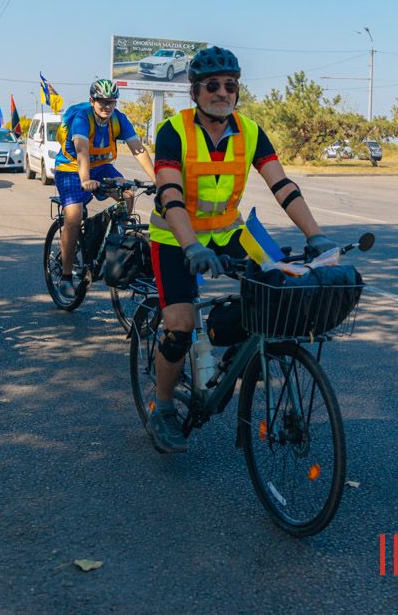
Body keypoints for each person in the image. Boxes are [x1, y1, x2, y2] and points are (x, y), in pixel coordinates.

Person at [146, 46, 338, 454]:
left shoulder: (249, 131)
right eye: (211, 86)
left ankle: (240, 354)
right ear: (195, 92)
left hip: (229, 232)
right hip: (175, 235)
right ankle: (162, 408)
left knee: (282, 283)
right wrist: (192, 245)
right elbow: (170, 194)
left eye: (229, 85)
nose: (221, 92)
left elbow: (282, 186)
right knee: (179, 323)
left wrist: (315, 236)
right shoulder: (174, 131)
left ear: (238, 90)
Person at [52, 78, 155, 299]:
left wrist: (158, 179)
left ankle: (118, 240)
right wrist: (86, 179)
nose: (107, 106)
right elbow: (82, 151)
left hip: (101, 167)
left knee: (127, 192)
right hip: (71, 168)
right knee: (74, 214)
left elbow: (137, 149)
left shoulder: (119, 120)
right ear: (92, 101)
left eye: (111, 102)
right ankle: (67, 276)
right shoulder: (82, 118)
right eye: (102, 102)